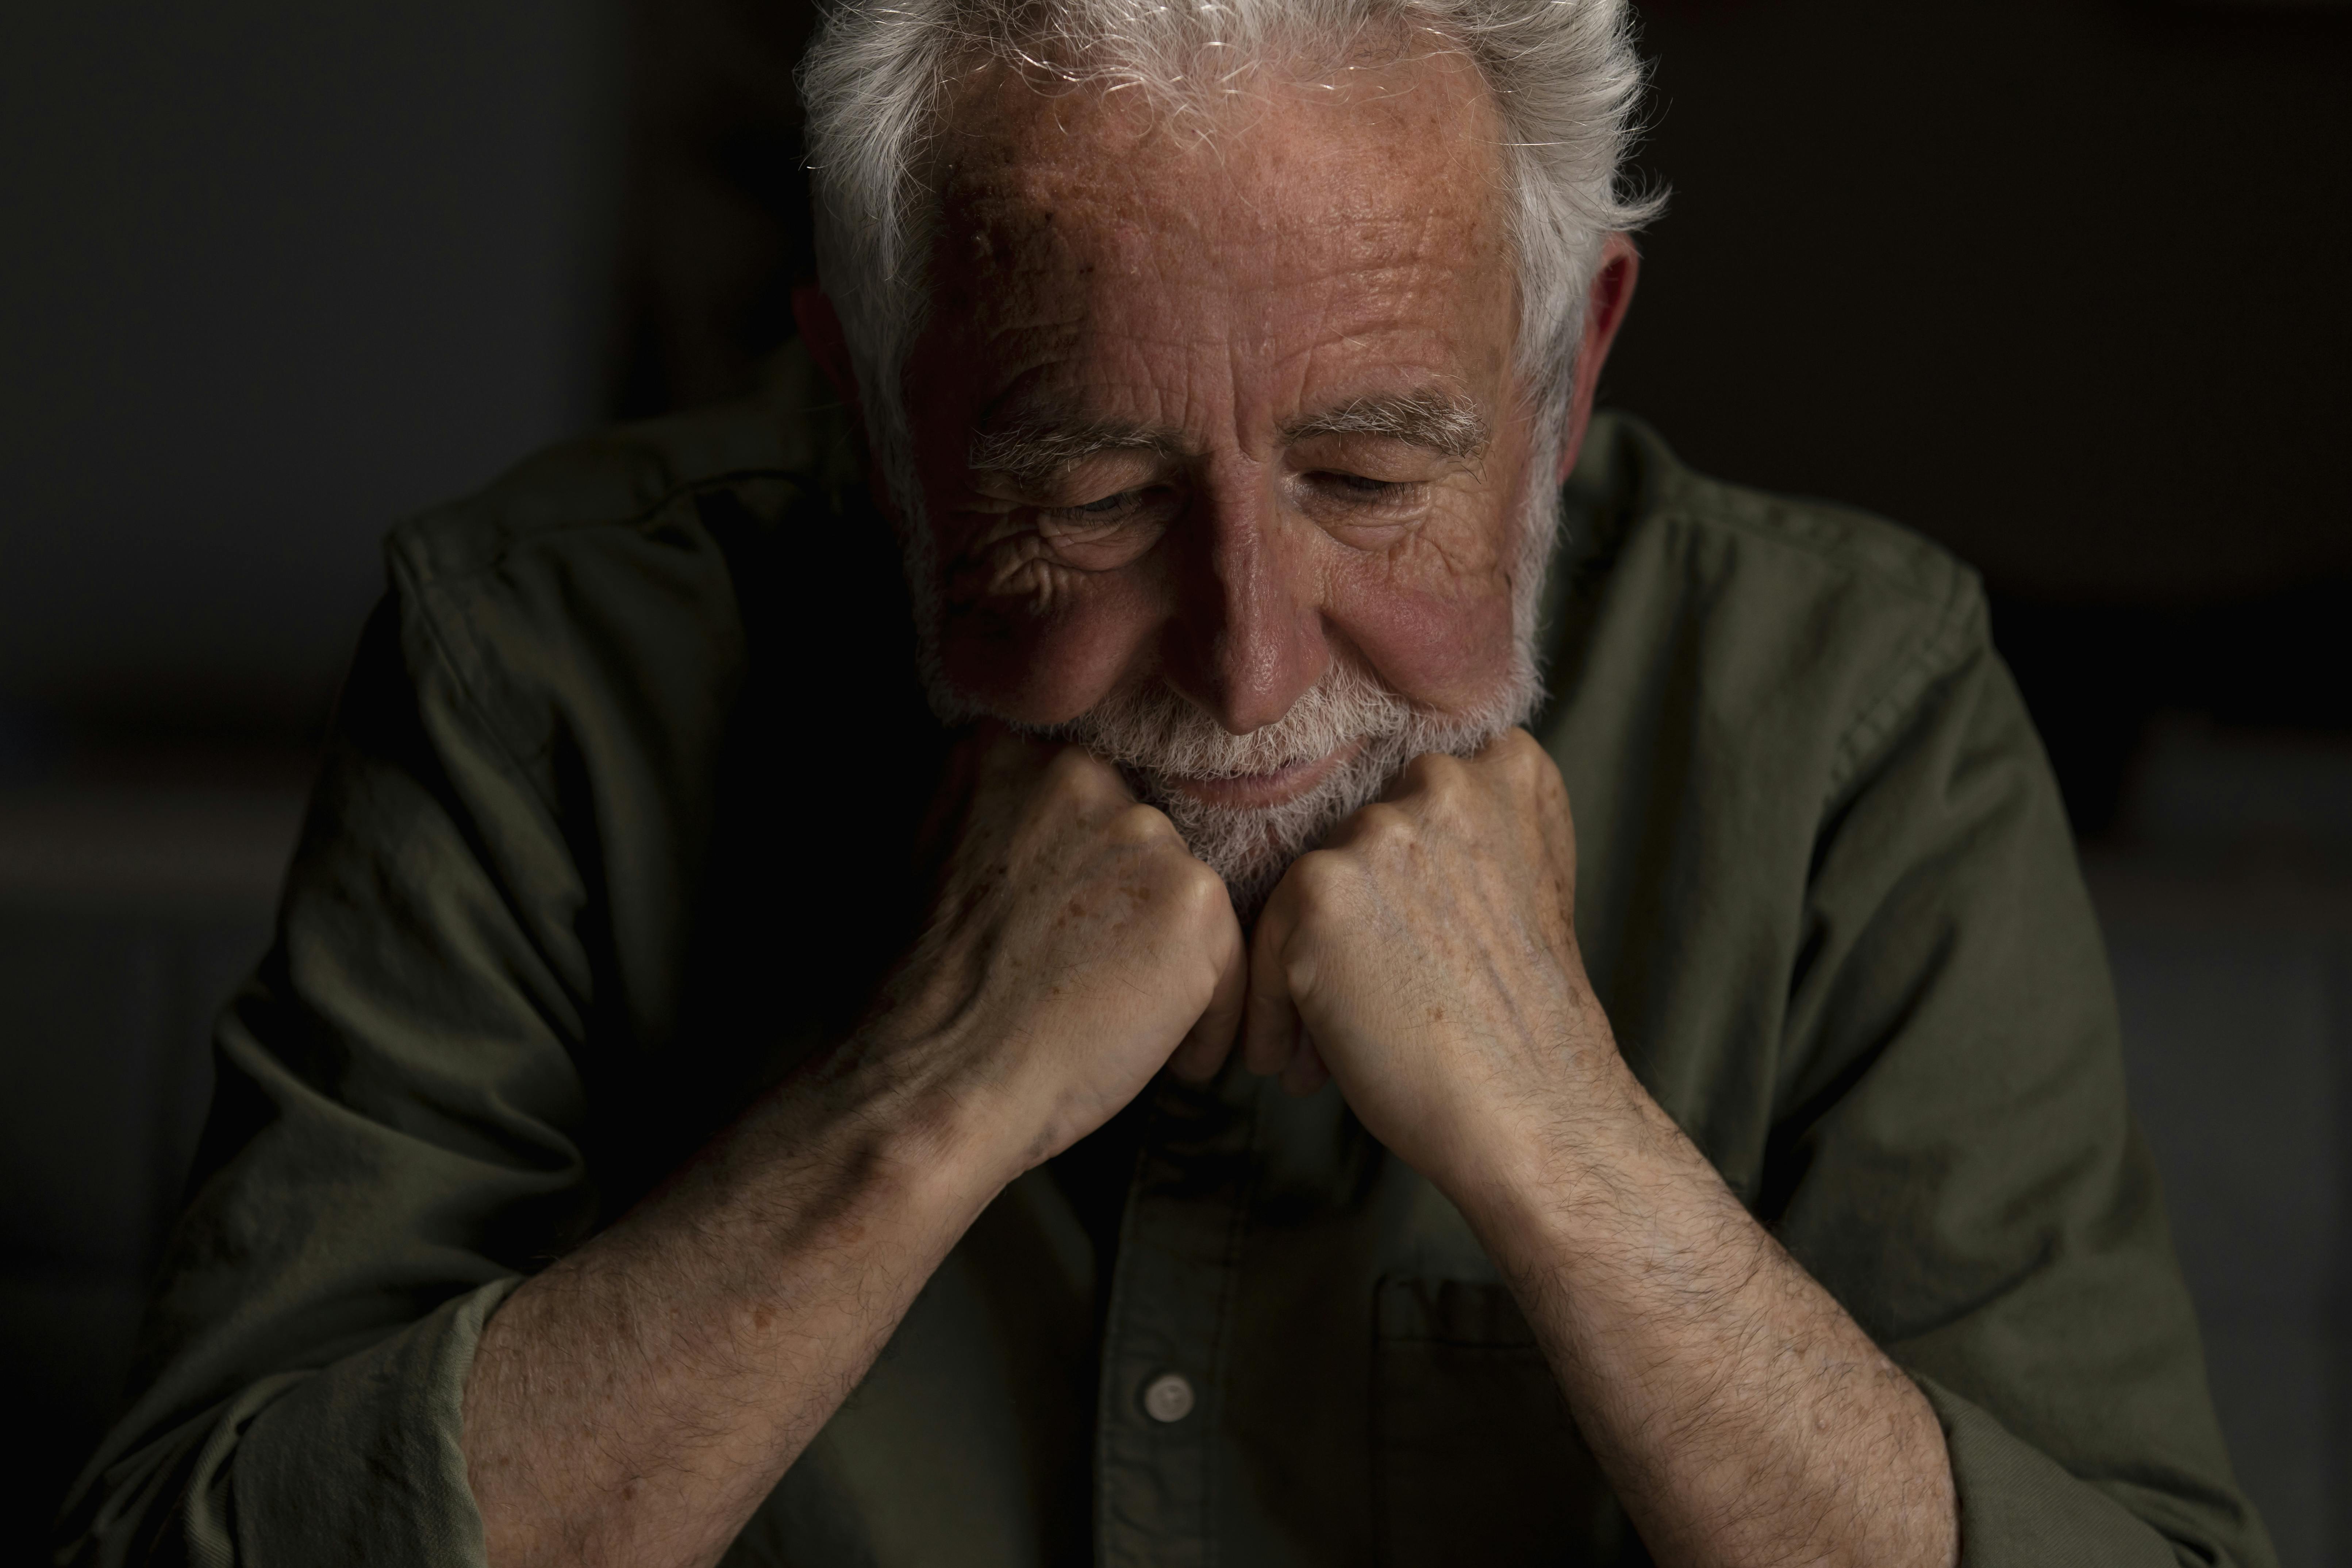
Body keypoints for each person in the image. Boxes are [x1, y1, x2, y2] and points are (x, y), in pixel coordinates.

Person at [59, 0, 2272, 1564]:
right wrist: (914, 1103)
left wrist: (1568, 1144)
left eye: (1370, 471)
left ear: (1567, 371)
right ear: (868, 412)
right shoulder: (538, 666)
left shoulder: (1852, 715)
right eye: (1097, 495)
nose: (1251, 656)